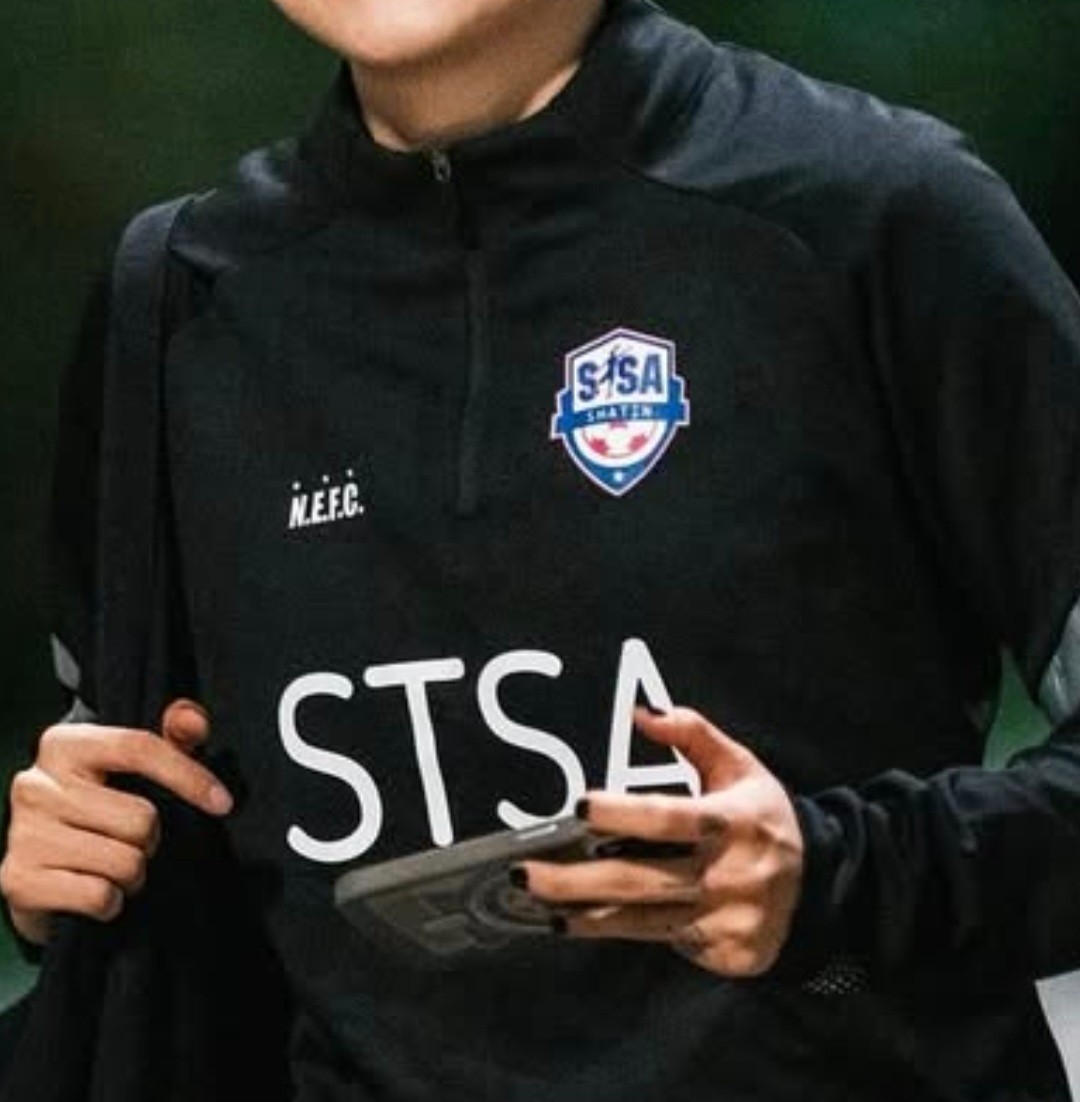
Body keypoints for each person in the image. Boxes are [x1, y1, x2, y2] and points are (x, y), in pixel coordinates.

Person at [3, 0, 1080, 1097]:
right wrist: (75, 872)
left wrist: (838, 880)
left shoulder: (872, 213)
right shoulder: (184, 300)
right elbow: (181, 863)